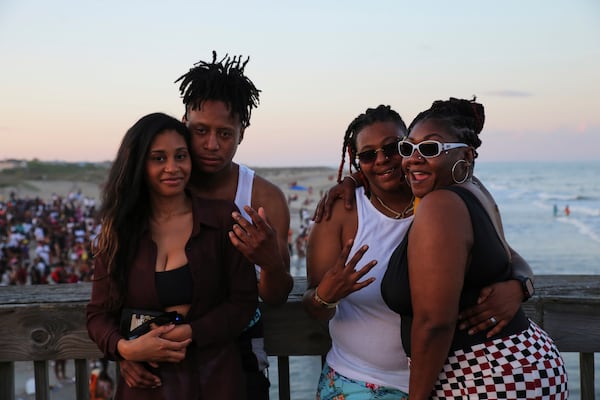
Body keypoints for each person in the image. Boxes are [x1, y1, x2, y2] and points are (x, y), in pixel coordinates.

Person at [303, 105, 530, 399]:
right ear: (358, 162)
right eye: (368, 155)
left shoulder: (440, 199)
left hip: (448, 382)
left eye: (394, 148)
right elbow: (312, 307)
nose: (383, 160)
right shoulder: (341, 212)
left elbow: (508, 254)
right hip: (358, 380)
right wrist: (326, 295)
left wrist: (521, 285)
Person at [119, 52, 293, 399]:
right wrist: (126, 349)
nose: (212, 145)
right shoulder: (161, 184)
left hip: (238, 355)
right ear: (183, 121)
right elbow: (123, 283)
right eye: (200, 131)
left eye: (225, 134)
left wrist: (270, 262)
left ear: (242, 133)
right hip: (158, 355)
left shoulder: (263, 198)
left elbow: (275, 295)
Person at [380, 97, 568, 399]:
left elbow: (435, 323)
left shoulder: (440, 205)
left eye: (430, 148)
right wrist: (522, 284)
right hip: (512, 367)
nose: (413, 158)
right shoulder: (473, 190)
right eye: (407, 147)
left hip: (487, 375)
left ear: (465, 155)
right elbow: (511, 256)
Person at [86, 112, 258, 399]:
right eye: (158, 158)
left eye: (180, 156)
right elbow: (97, 315)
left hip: (214, 380)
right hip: (145, 385)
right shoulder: (120, 231)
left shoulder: (221, 220)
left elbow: (243, 302)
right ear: (139, 164)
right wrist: (124, 349)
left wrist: (191, 332)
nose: (173, 168)